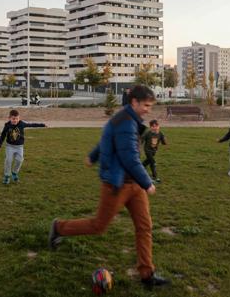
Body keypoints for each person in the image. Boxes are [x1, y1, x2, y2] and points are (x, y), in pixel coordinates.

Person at [49, 85, 170, 289]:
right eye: (147, 105)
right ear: (135, 102)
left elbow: (106, 140)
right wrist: (147, 182)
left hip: (134, 186)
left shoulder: (127, 119)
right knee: (98, 226)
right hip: (117, 184)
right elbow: (129, 157)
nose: (149, 109)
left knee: (144, 226)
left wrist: (92, 156)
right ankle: (59, 227)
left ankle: (147, 274)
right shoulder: (124, 122)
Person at [0, 109, 47, 184]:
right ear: (9, 118)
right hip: (10, 146)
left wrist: (42, 125)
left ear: (19, 118)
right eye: (13, 119)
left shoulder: (21, 124)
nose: (15, 120)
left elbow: (31, 125)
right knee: (8, 160)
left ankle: (14, 173)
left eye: (17, 118)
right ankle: (7, 176)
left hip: (19, 147)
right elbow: (3, 135)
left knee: (19, 160)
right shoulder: (7, 125)